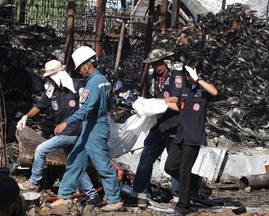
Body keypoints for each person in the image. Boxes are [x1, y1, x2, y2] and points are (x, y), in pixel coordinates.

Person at [16, 59, 101, 205]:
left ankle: (34, 181)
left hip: (74, 131)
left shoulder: (77, 86)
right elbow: (39, 107)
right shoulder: (51, 91)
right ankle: (93, 196)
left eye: (51, 76)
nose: (50, 79)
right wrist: (26, 116)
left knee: (41, 149)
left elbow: (87, 106)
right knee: (75, 164)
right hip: (65, 133)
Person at [53, 46, 123, 212]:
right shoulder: (103, 80)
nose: (80, 73)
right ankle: (64, 197)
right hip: (91, 127)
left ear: (87, 64)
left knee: (102, 165)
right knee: (75, 161)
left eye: (80, 69)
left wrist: (66, 122)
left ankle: (114, 200)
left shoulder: (94, 82)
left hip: (95, 128)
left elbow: (87, 108)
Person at [126, 48, 185, 206]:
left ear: (165, 62)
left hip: (173, 124)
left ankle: (178, 197)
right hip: (158, 125)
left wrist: (158, 102)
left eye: (157, 64)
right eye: (153, 64)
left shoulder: (176, 76)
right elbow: (155, 96)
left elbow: (176, 98)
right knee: (146, 157)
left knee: (173, 163)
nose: (155, 67)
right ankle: (139, 193)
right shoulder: (154, 78)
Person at [164, 59, 218, 216]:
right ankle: (196, 182)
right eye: (186, 74)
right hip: (180, 134)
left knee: (184, 170)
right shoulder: (185, 88)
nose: (187, 77)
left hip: (193, 136)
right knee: (170, 167)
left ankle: (183, 206)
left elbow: (215, 92)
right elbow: (179, 105)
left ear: (198, 72)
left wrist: (198, 79)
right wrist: (160, 104)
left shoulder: (203, 89)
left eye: (190, 74)